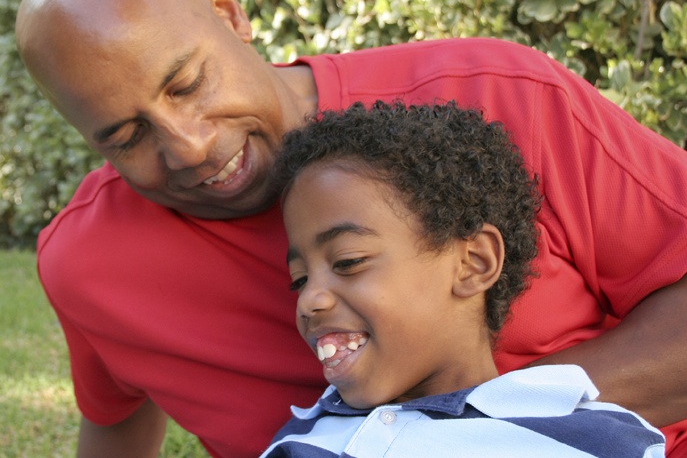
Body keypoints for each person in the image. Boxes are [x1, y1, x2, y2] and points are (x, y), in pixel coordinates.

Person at [13, 0, 687, 458]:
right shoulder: (90, 262)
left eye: (187, 84)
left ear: (228, 12)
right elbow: (115, 419)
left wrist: (454, 432)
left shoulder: (498, 97)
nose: (187, 146)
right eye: (127, 135)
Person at [258, 99, 665, 457]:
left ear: (474, 262)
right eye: (300, 279)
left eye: (348, 261)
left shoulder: (594, 438)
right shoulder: (301, 439)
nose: (309, 299)